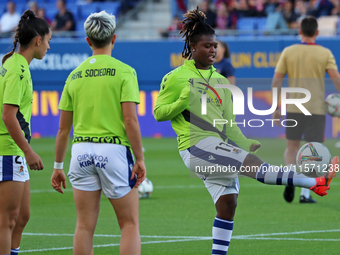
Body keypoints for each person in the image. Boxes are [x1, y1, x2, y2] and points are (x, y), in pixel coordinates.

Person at [154, 7, 337, 255]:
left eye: (215, 45)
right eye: (207, 46)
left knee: (228, 205)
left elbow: (228, 123)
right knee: (254, 165)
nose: (213, 50)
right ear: (193, 47)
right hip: (196, 146)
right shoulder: (176, 78)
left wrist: (243, 140)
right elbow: (158, 113)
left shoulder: (220, 81)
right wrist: (182, 101)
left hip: (215, 146)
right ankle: (314, 182)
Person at [50, 11, 146, 255]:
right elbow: (130, 120)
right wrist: (140, 159)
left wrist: (58, 165)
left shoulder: (74, 76)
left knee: (83, 226)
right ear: (114, 39)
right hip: (113, 150)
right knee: (129, 224)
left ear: (87, 41)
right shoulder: (125, 72)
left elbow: (63, 129)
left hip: (80, 151)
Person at [272, 16, 340, 204]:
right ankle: (306, 194)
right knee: (313, 151)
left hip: (294, 106)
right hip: (316, 108)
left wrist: (277, 106)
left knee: (291, 147)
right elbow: (336, 79)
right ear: (317, 32)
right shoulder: (325, 53)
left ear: (300, 31)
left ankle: (290, 177)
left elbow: (276, 81)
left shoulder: (288, 51)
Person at [0, 10, 50, 255]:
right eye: (48, 41)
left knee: (21, 217)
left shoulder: (14, 63)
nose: (49, 47)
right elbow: (8, 115)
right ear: (38, 40)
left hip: (14, 151)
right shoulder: (18, 69)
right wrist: (29, 151)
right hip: (8, 150)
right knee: (7, 221)